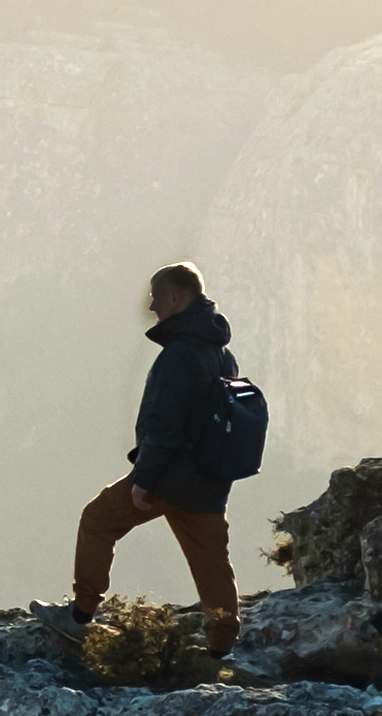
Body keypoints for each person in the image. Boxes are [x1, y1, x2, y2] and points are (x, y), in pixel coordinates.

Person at [74, 261, 250, 659]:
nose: (152, 307)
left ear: (176, 297)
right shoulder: (222, 355)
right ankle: (223, 647)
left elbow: (165, 424)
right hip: (209, 480)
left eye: (156, 297)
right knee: (211, 561)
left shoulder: (179, 356)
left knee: (98, 520)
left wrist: (145, 478)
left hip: (171, 477)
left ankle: (81, 615)